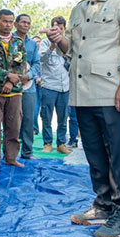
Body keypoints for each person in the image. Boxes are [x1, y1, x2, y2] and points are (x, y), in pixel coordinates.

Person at [42, 0, 120, 237]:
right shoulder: (79, 9)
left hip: (112, 92)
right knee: (95, 153)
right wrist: (61, 40)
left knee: (119, 153)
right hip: (83, 94)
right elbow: (73, 50)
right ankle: (103, 204)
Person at [0, 9, 27, 169]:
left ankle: (11, 157)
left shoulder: (18, 41)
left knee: (14, 125)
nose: (8, 25)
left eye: (11, 22)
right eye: (5, 21)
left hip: (15, 91)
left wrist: (11, 82)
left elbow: (22, 64)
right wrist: (5, 76)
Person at [39, 16, 73, 155]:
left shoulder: (69, 44)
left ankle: (61, 143)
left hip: (65, 87)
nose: (58, 31)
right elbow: (41, 59)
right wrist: (52, 46)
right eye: (55, 28)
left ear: (64, 29)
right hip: (49, 86)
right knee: (46, 116)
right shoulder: (45, 43)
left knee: (63, 117)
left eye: (60, 28)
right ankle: (47, 143)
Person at [14, 14, 41, 160]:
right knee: (11, 120)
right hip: (10, 86)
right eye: (23, 22)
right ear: (15, 24)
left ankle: (27, 152)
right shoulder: (8, 40)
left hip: (28, 87)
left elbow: (37, 63)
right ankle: (10, 153)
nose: (26, 25)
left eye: (28, 23)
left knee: (29, 120)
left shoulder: (32, 44)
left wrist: (28, 76)